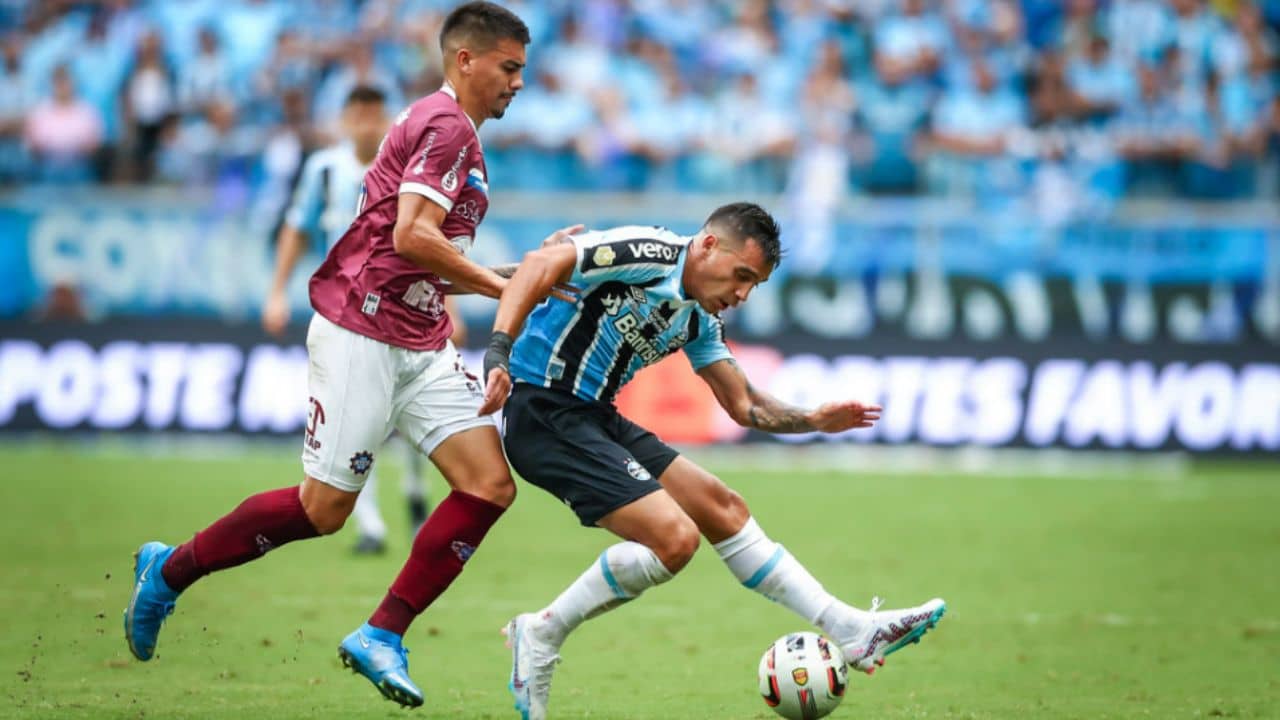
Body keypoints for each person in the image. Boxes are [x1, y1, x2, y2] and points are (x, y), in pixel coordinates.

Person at [125, 2, 534, 709]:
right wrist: (504, 287)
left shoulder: (457, 134)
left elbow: (429, 255)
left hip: (419, 336)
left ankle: (382, 633)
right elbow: (411, 237)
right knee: (323, 511)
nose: (518, 83)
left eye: (522, 70)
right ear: (465, 60)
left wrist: (524, 273)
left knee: (489, 485)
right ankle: (170, 571)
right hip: (362, 331)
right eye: (509, 67)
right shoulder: (444, 126)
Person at [476, 203, 946, 720]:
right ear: (705, 246)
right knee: (675, 539)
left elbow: (745, 405)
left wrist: (814, 419)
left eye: (755, 285)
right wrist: (497, 351)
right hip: (542, 408)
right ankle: (541, 633)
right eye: (741, 275)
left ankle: (850, 631)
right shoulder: (650, 254)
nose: (742, 294)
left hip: (594, 415)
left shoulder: (699, 320)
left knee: (723, 507)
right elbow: (541, 265)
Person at [260, 84, 443, 555]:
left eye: (374, 113)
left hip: (400, 306)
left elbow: (429, 242)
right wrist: (277, 293)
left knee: (407, 410)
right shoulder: (324, 170)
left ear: (386, 118)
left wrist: (450, 308)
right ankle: (372, 524)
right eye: (358, 113)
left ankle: (416, 496)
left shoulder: (404, 167)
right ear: (344, 119)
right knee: (356, 418)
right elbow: (296, 229)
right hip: (344, 311)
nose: (366, 122)